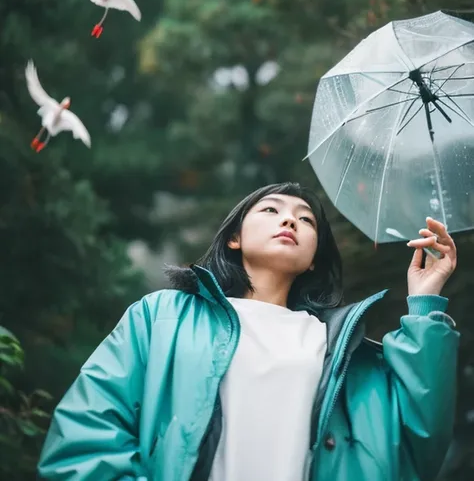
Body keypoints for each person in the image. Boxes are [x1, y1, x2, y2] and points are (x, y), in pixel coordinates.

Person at [38, 181, 459, 481]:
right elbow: (85, 433)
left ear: (314, 258)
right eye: (272, 210)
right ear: (234, 238)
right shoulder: (162, 316)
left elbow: (417, 442)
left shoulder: (344, 355)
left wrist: (424, 303)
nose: (289, 222)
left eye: (306, 220)